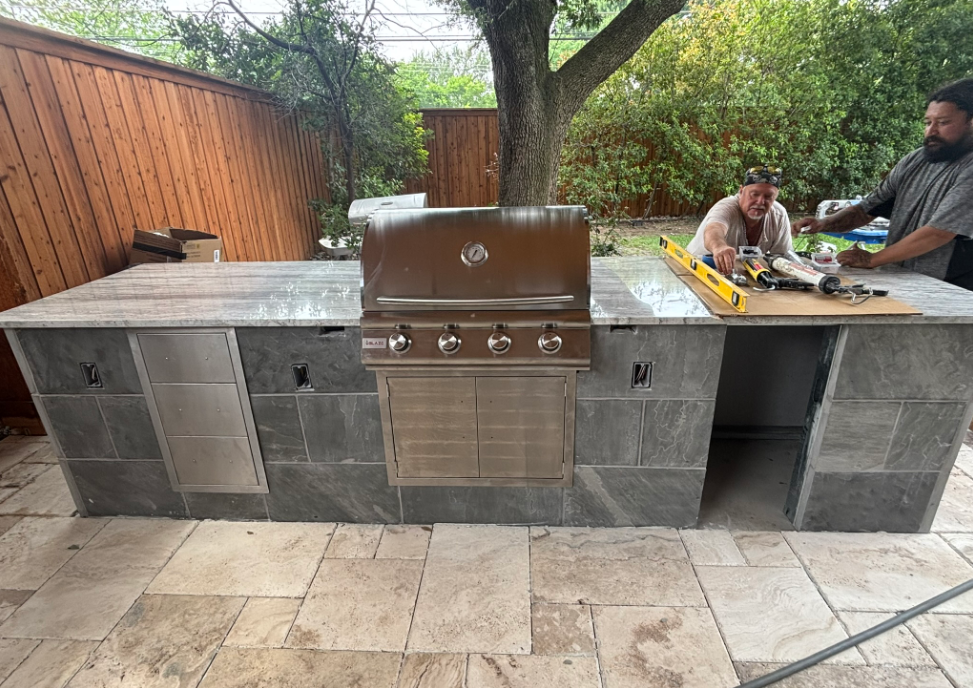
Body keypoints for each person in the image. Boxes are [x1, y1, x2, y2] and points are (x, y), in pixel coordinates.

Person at [793, 78, 973, 289]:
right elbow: (869, 208)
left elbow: (939, 232)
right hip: (907, 280)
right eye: (928, 122)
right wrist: (825, 223)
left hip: (956, 291)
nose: (931, 131)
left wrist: (873, 260)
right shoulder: (916, 160)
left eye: (943, 123)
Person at [686, 165, 793, 275]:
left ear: (775, 197)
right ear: (741, 191)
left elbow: (783, 256)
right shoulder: (726, 207)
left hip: (740, 275)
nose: (760, 201)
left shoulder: (779, 215)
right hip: (695, 269)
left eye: (768, 196)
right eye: (754, 194)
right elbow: (714, 228)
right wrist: (719, 247)